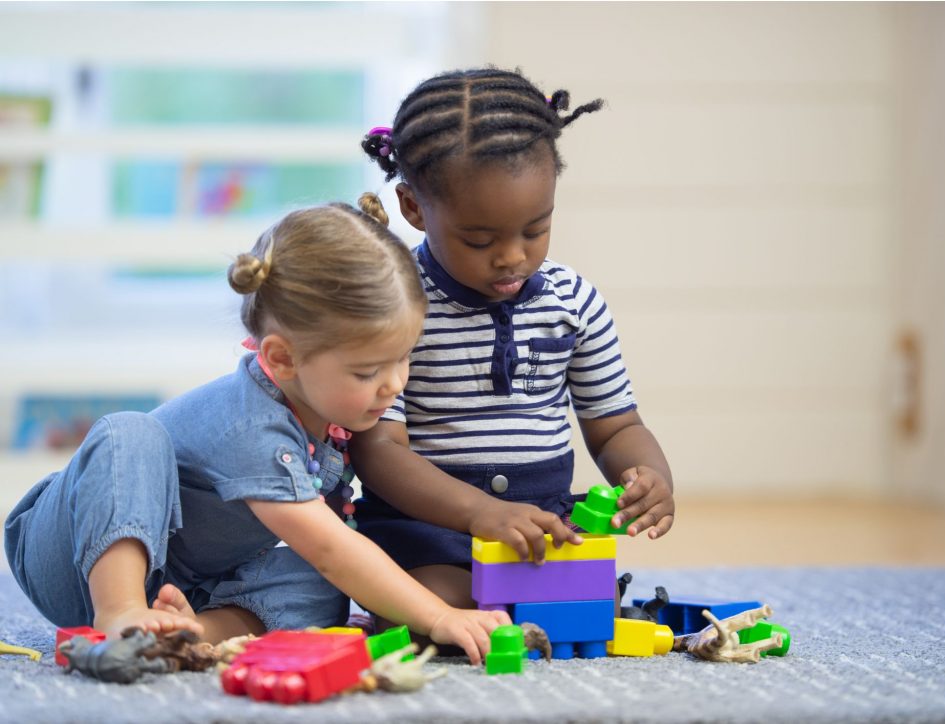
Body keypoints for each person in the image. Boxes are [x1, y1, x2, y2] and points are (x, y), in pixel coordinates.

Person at [4, 194, 509, 664]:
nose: (394, 385)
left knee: (320, 587)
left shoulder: (326, 411)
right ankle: (121, 614)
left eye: (403, 359)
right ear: (282, 358)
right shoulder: (254, 427)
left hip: (188, 577)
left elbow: (329, 556)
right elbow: (334, 545)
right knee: (129, 433)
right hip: (70, 555)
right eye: (366, 372)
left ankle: (189, 632)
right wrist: (439, 615)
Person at [352, 67, 675, 621]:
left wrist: (648, 477)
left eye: (535, 229)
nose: (512, 257)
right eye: (479, 239)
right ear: (413, 208)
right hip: (429, 527)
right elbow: (378, 450)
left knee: (593, 604)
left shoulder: (574, 304)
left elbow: (616, 425)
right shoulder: (396, 304)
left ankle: (521, 604)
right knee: (430, 601)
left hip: (541, 526)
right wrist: (478, 514)